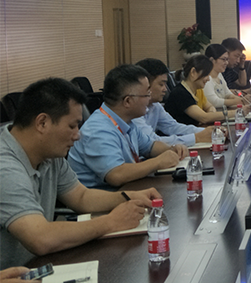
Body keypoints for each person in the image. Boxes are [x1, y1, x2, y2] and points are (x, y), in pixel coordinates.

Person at [0, 78, 160, 270]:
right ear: (42, 123)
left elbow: (81, 197)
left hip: (37, 267)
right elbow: (40, 238)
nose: (77, 135)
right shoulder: (5, 166)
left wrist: (129, 196)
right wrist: (111, 222)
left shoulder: (50, 153)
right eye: (72, 126)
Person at [68, 65, 187, 189]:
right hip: (104, 198)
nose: (149, 98)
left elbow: (150, 146)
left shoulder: (126, 121)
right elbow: (116, 175)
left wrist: (172, 150)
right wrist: (158, 162)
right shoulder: (98, 130)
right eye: (147, 94)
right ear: (128, 101)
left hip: (129, 190)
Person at [134, 58, 218, 146]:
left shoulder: (156, 106)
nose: (165, 89)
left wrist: (210, 131)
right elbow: (152, 141)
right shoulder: (134, 111)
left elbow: (173, 127)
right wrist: (196, 138)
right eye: (161, 84)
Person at [164, 55, 228, 126]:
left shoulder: (198, 91)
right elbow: (204, 118)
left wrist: (211, 114)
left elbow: (209, 107)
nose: (208, 79)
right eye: (206, 75)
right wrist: (234, 112)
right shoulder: (180, 93)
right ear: (193, 72)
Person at [203, 44, 246, 109]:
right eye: (223, 59)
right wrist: (239, 101)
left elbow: (228, 94)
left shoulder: (219, 74)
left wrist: (243, 100)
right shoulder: (206, 78)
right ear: (212, 60)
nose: (226, 63)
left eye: (227, 59)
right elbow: (214, 102)